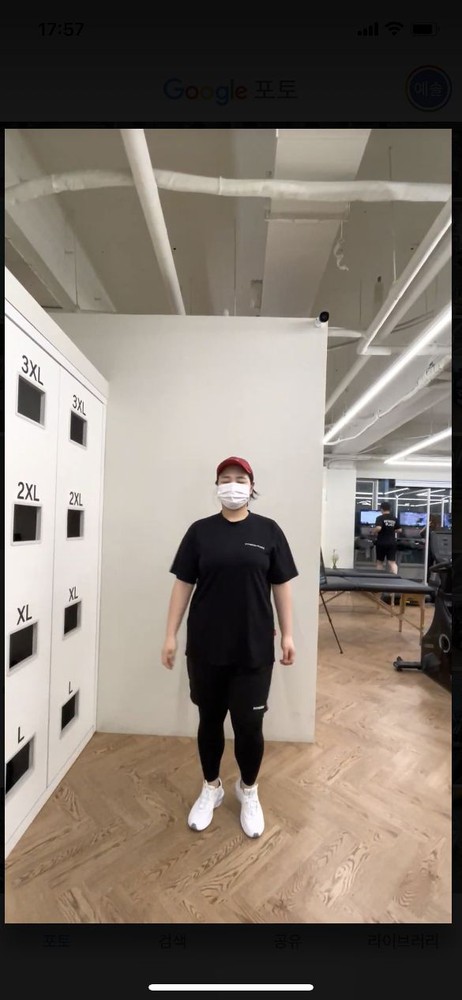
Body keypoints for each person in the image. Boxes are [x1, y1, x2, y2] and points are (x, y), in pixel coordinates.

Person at [161, 456, 298, 839]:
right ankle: (212, 788)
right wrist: (170, 634)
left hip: (253, 648)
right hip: (206, 647)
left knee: (249, 725)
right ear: (217, 485)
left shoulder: (268, 531)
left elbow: (281, 585)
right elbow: (183, 584)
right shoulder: (200, 532)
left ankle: (248, 790)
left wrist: (288, 634)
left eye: (240, 479)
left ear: (251, 486)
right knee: (209, 720)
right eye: (226, 478)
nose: (233, 485)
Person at [371, 501, 401, 574]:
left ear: (381, 509)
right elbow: (399, 530)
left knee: (380, 562)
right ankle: (395, 577)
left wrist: (373, 532)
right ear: (390, 509)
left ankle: (380, 578)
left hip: (382, 542)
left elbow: (378, 528)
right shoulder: (394, 518)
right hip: (392, 542)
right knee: (392, 562)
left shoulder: (380, 518)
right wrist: (391, 530)